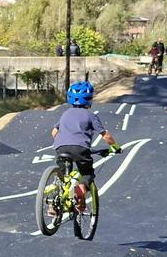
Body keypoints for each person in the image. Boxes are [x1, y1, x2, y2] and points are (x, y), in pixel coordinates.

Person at [51, 81, 122, 210]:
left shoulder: (65, 113)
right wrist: (115, 147)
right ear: (89, 100)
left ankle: (55, 204)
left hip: (60, 147)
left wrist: (62, 142)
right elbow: (105, 135)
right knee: (87, 173)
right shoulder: (91, 115)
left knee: (64, 175)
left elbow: (54, 132)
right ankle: (81, 188)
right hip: (80, 148)